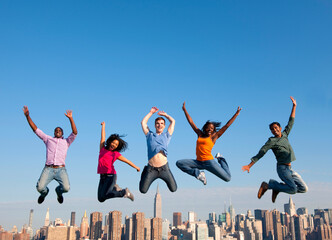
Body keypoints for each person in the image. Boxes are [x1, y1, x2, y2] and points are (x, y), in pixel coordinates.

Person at [242, 97, 308, 203]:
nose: (275, 130)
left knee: (304, 189)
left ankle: (277, 187)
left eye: (276, 128)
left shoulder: (285, 134)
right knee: (293, 189)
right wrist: (249, 165)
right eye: (272, 129)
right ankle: (269, 185)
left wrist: (294, 106)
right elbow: (261, 152)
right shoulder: (271, 141)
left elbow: (291, 121)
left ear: (280, 128)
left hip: (290, 169)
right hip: (282, 169)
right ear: (271, 131)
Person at [176, 102, 242, 185]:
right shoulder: (199, 134)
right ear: (205, 128)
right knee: (179, 163)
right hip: (198, 162)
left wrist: (236, 114)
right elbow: (191, 122)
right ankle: (198, 174)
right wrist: (185, 110)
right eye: (208, 128)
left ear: (214, 130)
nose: (210, 129)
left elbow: (226, 126)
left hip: (209, 162)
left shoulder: (214, 137)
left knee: (228, 178)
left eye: (212, 128)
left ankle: (221, 159)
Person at [23, 106, 77, 204]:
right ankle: (44, 194)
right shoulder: (48, 139)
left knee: (66, 188)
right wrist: (27, 116)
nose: (58, 131)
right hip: (48, 169)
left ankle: (58, 192)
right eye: (56, 130)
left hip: (61, 169)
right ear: (54, 132)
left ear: (62, 133)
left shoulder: (66, 141)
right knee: (40, 188)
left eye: (60, 130)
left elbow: (75, 132)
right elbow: (35, 129)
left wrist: (71, 118)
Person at [97, 121, 140, 202]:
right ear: (110, 141)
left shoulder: (115, 154)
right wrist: (103, 126)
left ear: (117, 147)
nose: (114, 145)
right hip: (102, 176)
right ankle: (115, 188)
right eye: (113, 142)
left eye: (116, 144)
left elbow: (126, 161)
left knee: (106, 194)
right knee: (101, 198)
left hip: (110, 175)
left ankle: (124, 192)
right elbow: (103, 137)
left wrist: (136, 167)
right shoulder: (102, 148)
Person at [139, 107, 177, 193]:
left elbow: (173, 121)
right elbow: (143, 122)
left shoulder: (167, 135)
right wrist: (151, 113)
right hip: (151, 169)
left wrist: (165, 115)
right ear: (155, 125)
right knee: (143, 190)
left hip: (164, 168)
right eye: (157, 123)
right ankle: (144, 172)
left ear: (164, 125)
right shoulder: (150, 135)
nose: (159, 125)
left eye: (161, 123)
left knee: (174, 189)